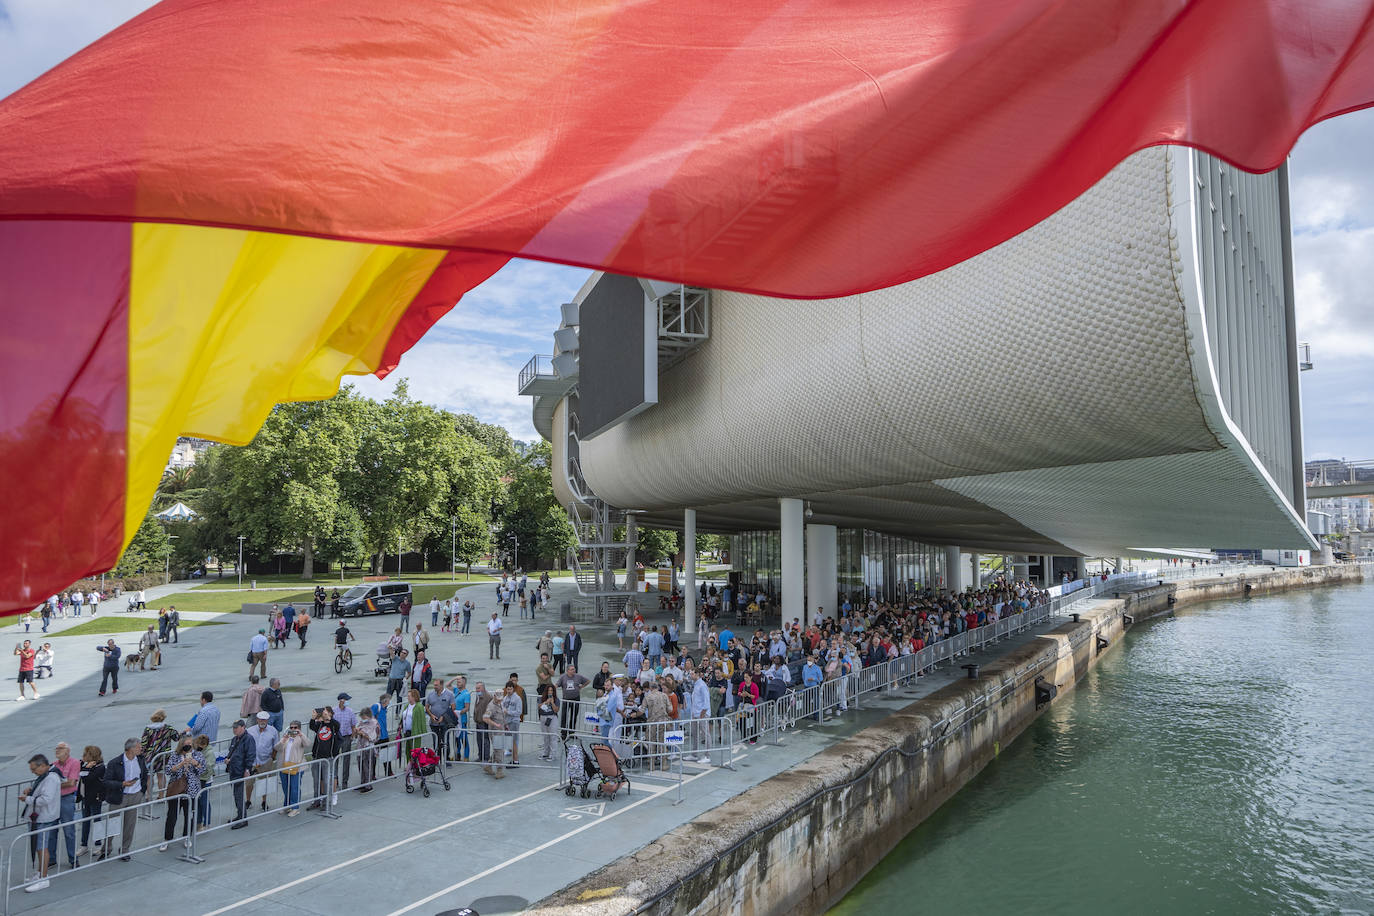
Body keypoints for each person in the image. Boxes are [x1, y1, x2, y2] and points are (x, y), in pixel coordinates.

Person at [103, 738, 148, 862]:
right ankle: (106, 848)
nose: (141, 749)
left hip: (135, 795)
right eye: (139, 747)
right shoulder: (115, 762)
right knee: (112, 823)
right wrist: (121, 784)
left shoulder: (140, 759)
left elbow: (144, 775)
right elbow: (106, 781)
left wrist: (141, 792)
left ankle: (124, 849)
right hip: (119, 797)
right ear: (131, 749)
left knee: (130, 825)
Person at [20, 754, 61, 892]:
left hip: (43, 818)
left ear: (43, 766)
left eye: (34, 769)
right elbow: (41, 792)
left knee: (42, 848)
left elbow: (45, 799)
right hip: (39, 818)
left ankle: (43, 878)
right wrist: (31, 790)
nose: (33, 772)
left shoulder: (51, 778)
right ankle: (40, 873)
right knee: (39, 847)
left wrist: (27, 799)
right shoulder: (46, 776)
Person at [160, 736, 204, 850]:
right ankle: (167, 839)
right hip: (176, 790)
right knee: (172, 815)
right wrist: (181, 764)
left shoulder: (198, 755)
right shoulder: (175, 755)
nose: (188, 746)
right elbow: (168, 770)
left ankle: (187, 837)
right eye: (186, 744)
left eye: (190, 743)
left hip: (192, 791)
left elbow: (203, 770)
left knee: (189, 815)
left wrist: (195, 763)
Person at [51, 742, 81, 867]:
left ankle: (73, 859)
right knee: (51, 830)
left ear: (67, 751)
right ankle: (51, 859)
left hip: (66, 800)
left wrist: (55, 785)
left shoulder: (74, 763)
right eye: (56, 748)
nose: (57, 750)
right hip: (54, 800)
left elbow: (71, 783)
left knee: (69, 830)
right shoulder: (53, 765)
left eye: (60, 748)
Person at [306, 706, 340, 810]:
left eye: (326, 712)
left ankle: (326, 803)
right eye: (323, 713)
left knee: (326, 781)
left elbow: (337, 725)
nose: (324, 714)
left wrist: (328, 718)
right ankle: (316, 801)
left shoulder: (333, 725)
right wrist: (313, 717)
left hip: (327, 758)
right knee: (316, 781)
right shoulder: (319, 725)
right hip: (317, 756)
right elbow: (312, 726)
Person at [76, 746, 105, 858]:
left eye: (85, 754)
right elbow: (77, 768)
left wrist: (86, 768)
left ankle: (98, 845)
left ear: (91, 755)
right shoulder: (84, 764)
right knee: (85, 821)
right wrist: (84, 766)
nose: (83, 756)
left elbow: (87, 778)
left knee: (97, 821)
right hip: (85, 798)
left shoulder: (100, 767)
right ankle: (84, 845)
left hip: (95, 799)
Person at [246, 712, 278, 811]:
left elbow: (275, 746)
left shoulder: (273, 731)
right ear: (257, 720)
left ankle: (264, 802)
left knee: (264, 782)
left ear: (267, 720)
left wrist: (272, 759)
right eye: (260, 719)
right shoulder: (249, 730)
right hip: (252, 762)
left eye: (264, 720)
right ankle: (248, 801)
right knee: (249, 783)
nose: (262, 721)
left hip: (265, 761)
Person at [274, 721, 307, 816]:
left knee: (294, 788)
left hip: (296, 766)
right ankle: (287, 806)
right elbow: (277, 748)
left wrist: (301, 735)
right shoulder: (286, 737)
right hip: (284, 765)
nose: (292, 729)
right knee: (286, 787)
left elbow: (307, 743)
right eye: (291, 727)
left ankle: (295, 807)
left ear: (299, 728)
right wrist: (283, 740)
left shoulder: (301, 738)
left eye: (295, 727)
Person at [225, 719, 253, 828]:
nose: (234, 729)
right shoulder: (234, 739)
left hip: (240, 771)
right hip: (233, 770)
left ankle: (243, 819)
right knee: (236, 795)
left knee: (239, 795)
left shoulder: (248, 739)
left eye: (236, 727)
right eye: (233, 728)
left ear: (243, 727)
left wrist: (247, 770)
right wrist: (229, 759)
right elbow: (233, 753)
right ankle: (240, 815)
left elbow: (250, 755)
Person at [482, 684, 510, 778]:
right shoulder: (491, 706)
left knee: (498, 749)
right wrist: (495, 724)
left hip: (501, 730)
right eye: (498, 698)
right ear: (494, 696)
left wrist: (505, 725)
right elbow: (485, 718)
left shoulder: (500, 703)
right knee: (499, 751)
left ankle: (488, 766)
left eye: (501, 698)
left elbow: (502, 715)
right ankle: (499, 771)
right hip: (495, 732)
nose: (499, 700)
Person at [556, 665, 589, 738]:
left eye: (574, 669)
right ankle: (563, 733)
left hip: (576, 699)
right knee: (564, 716)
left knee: (573, 716)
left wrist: (582, 686)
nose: (573, 671)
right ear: (567, 671)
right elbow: (557, 685)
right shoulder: (563, 677)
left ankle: (572, 732)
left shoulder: (578, 676)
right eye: (571, 669)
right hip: (566, 699)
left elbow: (587, 681)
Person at [333, 693, 358, 789]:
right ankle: (336, 781)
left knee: (346, 760)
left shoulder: (350, 711)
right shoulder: (334, 711)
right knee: (335, 760)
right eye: (346, 700)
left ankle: (345, 782)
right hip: (336, 738)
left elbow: (353, 725)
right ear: (341, 700)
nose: (347, 702)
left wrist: (352, 735)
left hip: (346, 737)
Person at [355, 708, 379, 792]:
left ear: (367, 716)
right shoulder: (362, 722)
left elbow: (373, 738)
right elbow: (357, 730)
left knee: (367, 766)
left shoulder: (374, 723)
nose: (362, 719)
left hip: (368, 747)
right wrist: (357, 731)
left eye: (363, 717)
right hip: (360, 747)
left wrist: (363, 734)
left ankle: (368, 785)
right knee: (360, 765)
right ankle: (363, 783)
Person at [451, 675, 471, 761]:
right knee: (456, 738)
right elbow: (447, 685)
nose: (457, 683)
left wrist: (458, 712)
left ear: (464, 683)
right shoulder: (456, 690)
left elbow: (467, 708)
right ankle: (457, 755)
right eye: (457, 682)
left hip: (462, 719)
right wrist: (455, 678)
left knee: (463, 738)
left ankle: (466, 756)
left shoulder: (466, 694)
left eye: (459, 682)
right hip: (455, 719)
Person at [536, 683, 558, 760]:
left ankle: (553, 754)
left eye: (551, 690)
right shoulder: (541, 698)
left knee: (553, 736)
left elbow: (556, 710)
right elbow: (539, 707)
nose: (550, 692)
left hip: (552, 718)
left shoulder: (556, 699)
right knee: (545, 736)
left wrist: (552, 702)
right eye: (549, 690)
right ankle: (545, 753)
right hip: (543, 717)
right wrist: (546, 702)